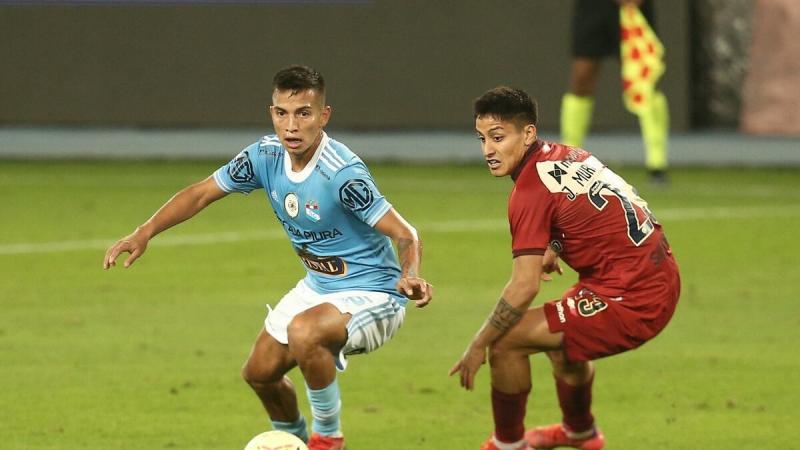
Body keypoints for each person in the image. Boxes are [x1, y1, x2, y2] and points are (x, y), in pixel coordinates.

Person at [103, 65, 433, 450]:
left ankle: (328, 438)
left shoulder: (342, 174)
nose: (291, 126)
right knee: (260, 373)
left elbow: (405, 233)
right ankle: (294, 441)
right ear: (271, 113)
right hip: (318, 287)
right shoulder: (264, 156)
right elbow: (201, 193)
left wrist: (411, 274)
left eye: (303, 113)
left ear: (324, 116)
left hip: (374, 293)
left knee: (304, 332)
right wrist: (144, 231)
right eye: (282, 113)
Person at [450, 86, 679, 450]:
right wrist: (555, 245)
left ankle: (508, 445)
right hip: (654, 271)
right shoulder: (568, 154)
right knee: (562, 340)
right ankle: (581, 433)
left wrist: (479, 343)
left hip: (633, 295)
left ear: (528, 133)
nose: (488, 151)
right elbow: (596, 206)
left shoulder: (529, 191)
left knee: (505, 341)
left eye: (498, 137)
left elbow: (524, 287)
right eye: (482, 139)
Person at [561, 0, 670, 184]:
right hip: (593, 8)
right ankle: (569, 156)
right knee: (582, 76)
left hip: (631, 9)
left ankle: (657, 163)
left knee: (643, 79)